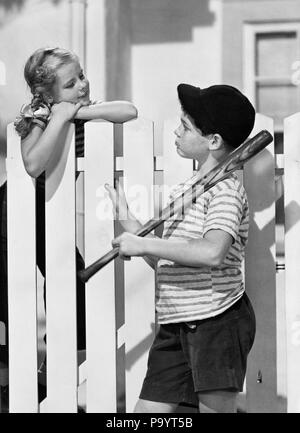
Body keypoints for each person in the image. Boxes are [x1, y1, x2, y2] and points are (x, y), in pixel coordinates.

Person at [105, 83, 256, 413]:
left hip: (216, 320)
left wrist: (143, 241)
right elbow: (168, 261)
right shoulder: (189, 188)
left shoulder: (225, 192)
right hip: (177, 320)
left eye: (185, 126)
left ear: (213, 141)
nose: (176, 131)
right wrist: (131, 224)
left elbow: (212, 252)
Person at [0, 47, 137, 393]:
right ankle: (11, 381)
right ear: (46, 95)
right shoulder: (38, 116)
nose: (82, 85)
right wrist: (60, 119)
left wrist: (80, 111)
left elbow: (129, 111)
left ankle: (50, 374)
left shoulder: (82, 110)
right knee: (9, 299)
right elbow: (33, 164)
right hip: (11, 214)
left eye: (82, 76)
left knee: (73, 287)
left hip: (49, 214)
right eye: (70, 83)